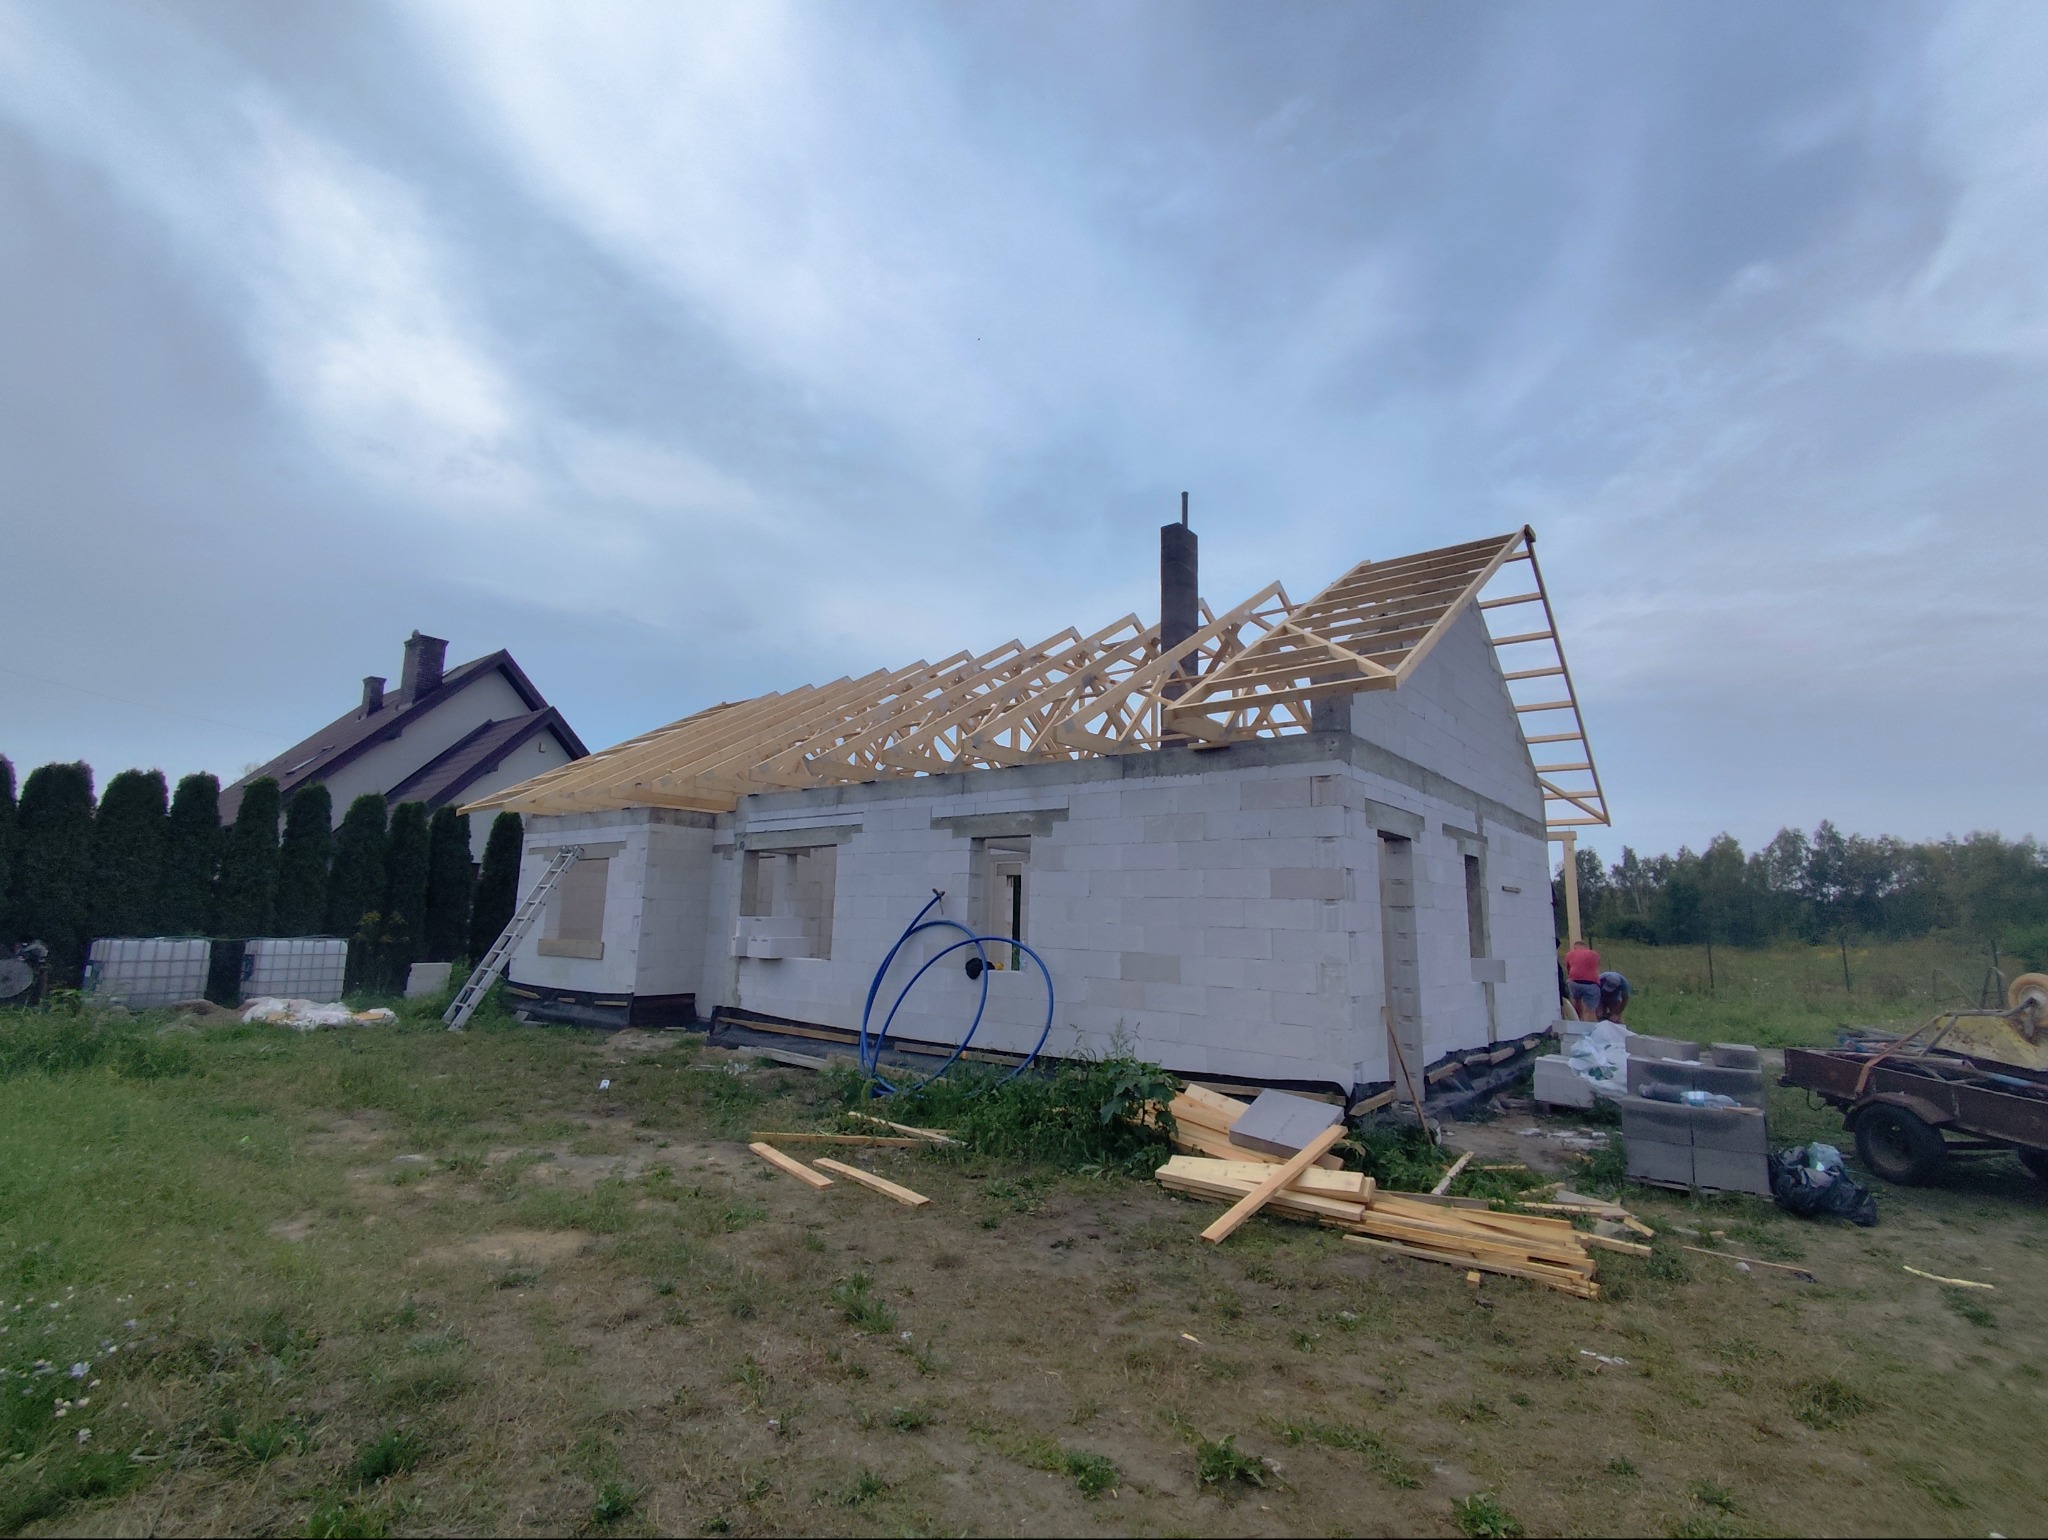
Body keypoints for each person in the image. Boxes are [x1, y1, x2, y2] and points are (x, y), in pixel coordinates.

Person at [1563, 937, 1602, 1020]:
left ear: (1575, 947)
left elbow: (1569, 969)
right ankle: (1590, 1026)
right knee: (1590, 1009)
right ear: (1586, 947)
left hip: (1574, 982)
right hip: (1591, 983)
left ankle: (1576, 1021)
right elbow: (1596, 968)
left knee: (1575, 1001)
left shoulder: (1569, 954)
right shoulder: (1594, 954)